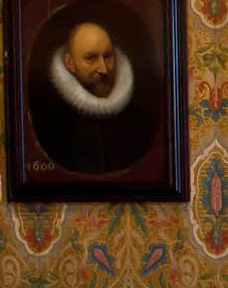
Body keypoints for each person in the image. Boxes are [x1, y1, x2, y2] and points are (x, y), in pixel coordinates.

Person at [28, 18, 158, 175]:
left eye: (108, 56)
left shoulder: (138, 114)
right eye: (91, 58)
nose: (103, 69)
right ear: (70, 64)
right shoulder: (51, 119)